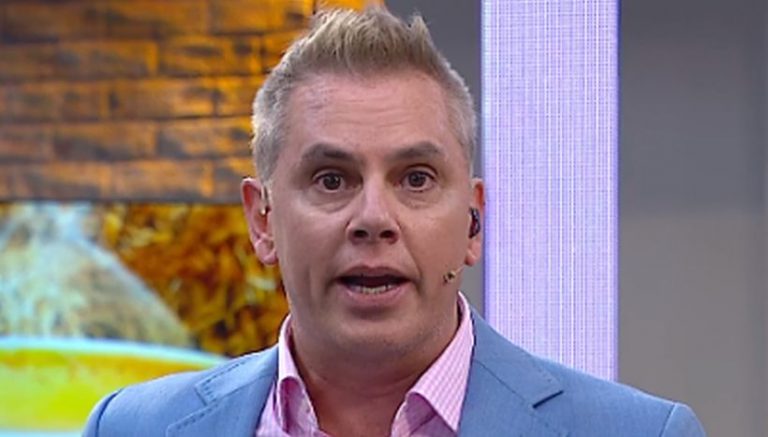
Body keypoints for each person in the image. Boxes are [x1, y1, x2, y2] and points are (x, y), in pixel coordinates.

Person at [84, 7, 705, 436]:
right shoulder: (131, 429)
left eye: (416, 179)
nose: (374, 219)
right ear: (262, 221)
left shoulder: (640, 433)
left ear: (473, 221)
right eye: (332, 180)